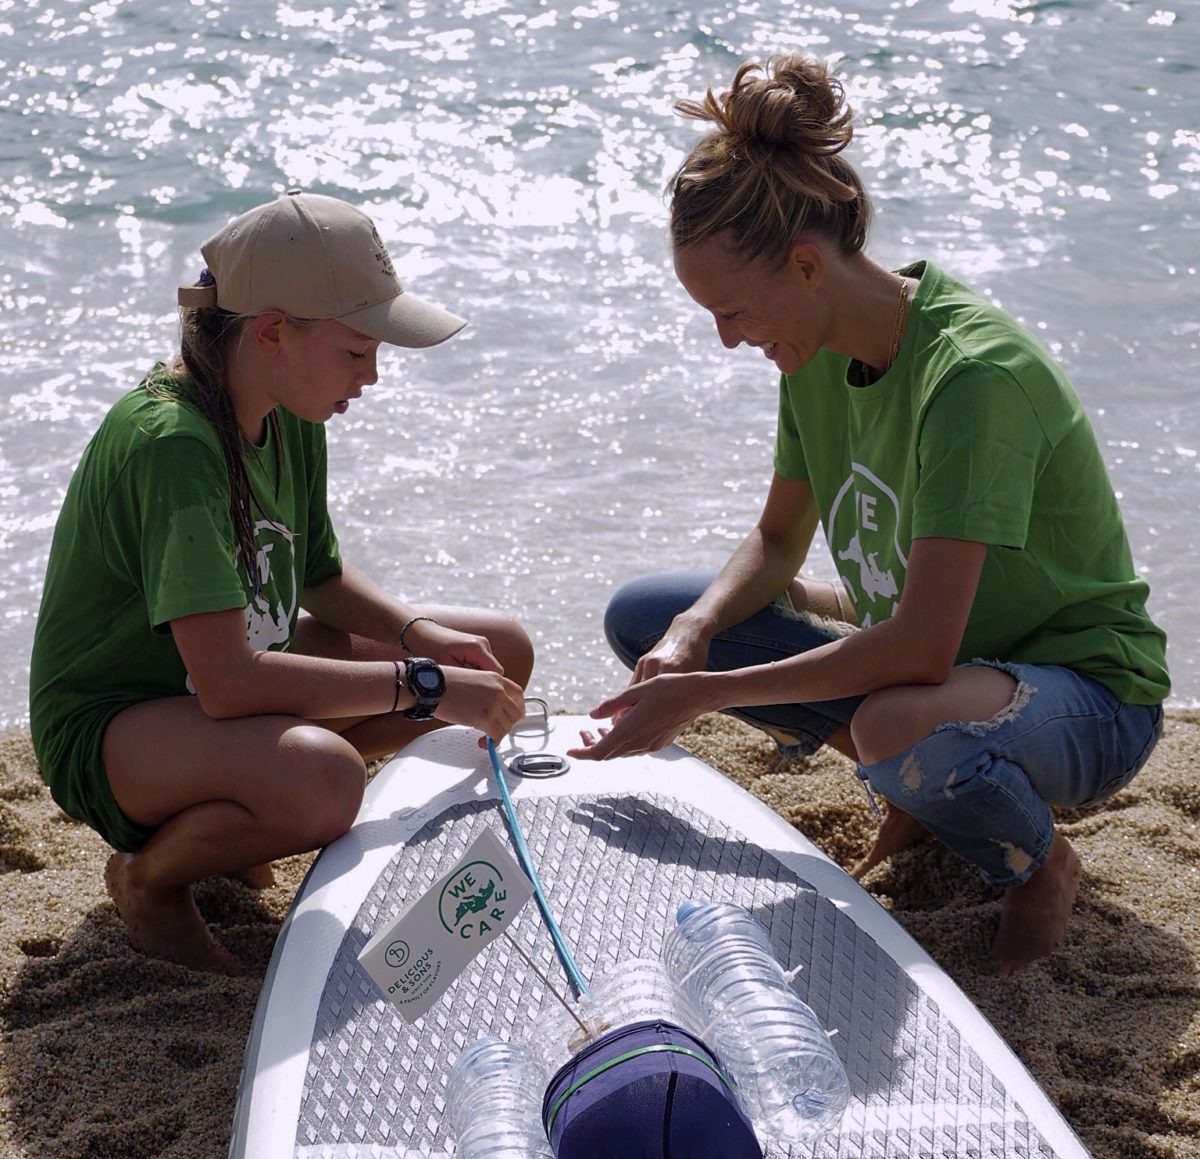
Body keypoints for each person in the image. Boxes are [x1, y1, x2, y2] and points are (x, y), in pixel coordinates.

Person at [569, 54, 1169, 975]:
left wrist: (707, 695)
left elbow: (922, 648)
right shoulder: (810, 353)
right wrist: (692, 638)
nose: (728, 338)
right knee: (648, 610)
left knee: (897, 720)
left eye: (731, 310)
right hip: (939, 649)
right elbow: (777, 540)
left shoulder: (972, 377)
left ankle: (1040, 869)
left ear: (806, 265)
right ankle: (926, 797)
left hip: (1085, 692)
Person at [30, 191, 531, 974]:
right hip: (115, 725)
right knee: (326, 781)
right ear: (272, 332)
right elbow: (228, 684)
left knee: (499, 651)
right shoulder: (173, 442)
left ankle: (244, 812)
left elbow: (319, 575)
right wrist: (422, 682)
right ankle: (150, 878)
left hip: (207, 692)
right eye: (357, 351)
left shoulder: (287, 406)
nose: (372, 376)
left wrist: (422, 641)